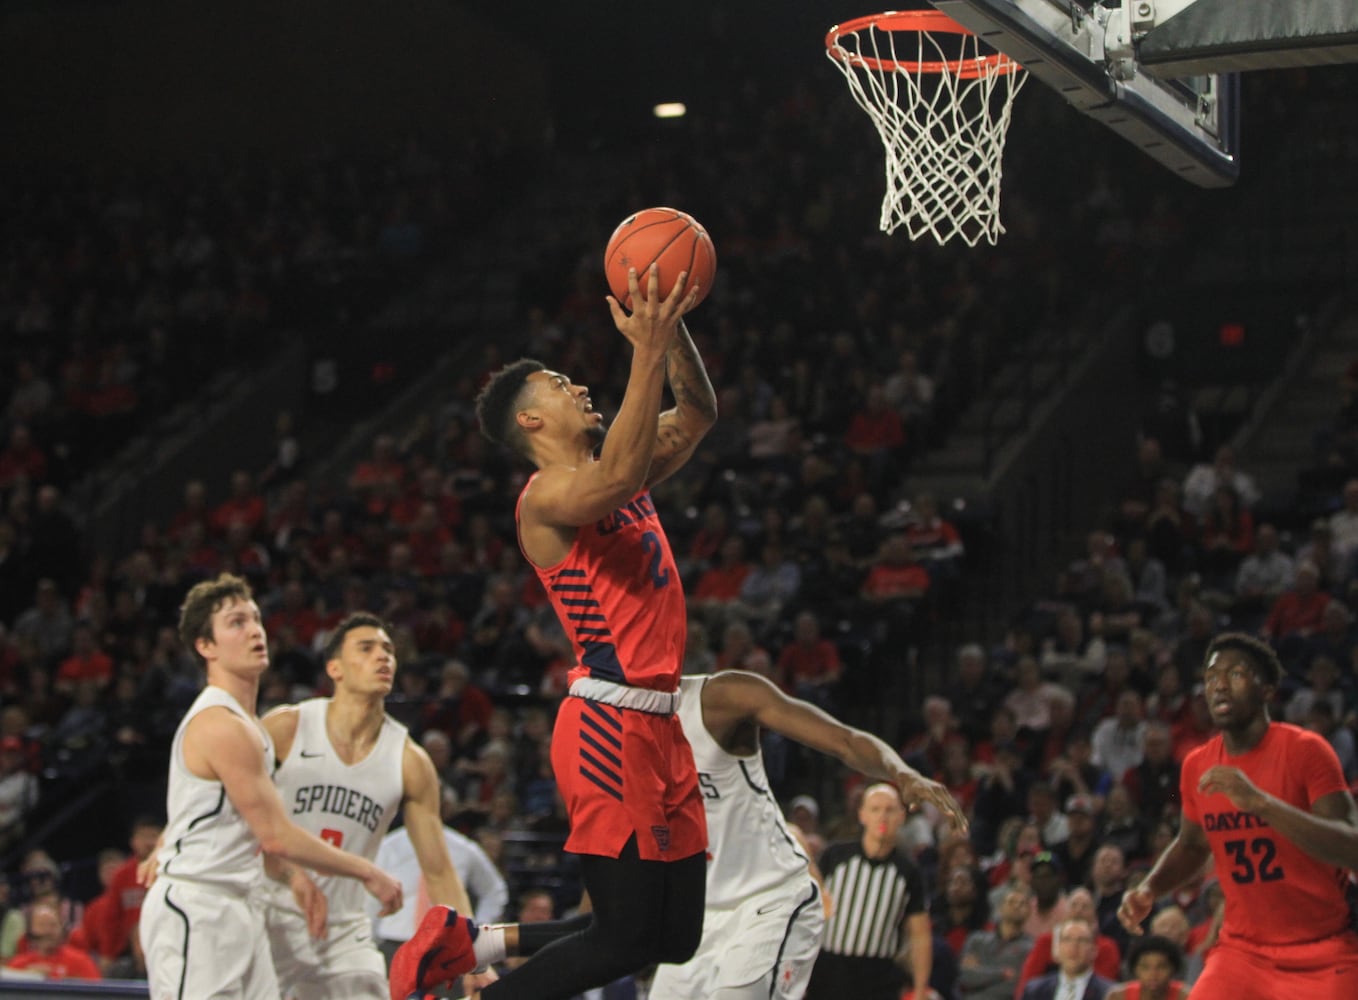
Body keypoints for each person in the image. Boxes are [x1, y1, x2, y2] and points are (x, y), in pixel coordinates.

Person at [459, 264, 714, 1000]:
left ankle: (483, 945)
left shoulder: (616, 468)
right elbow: (618, 477)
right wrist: (644, 348)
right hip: (607, 723)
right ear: (531, 423)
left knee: (675, 937)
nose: (578, 388)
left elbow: (697, 413)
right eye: (559, 387)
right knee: (627, 939)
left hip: (661, 726)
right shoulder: (546, 500)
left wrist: (670, 330)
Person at [138, 574, 403, 1000]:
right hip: (199, 906)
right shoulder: (220, 723)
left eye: (256, 619)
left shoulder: (252, 727)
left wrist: (170, 835)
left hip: (243, 903)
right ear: (206, 647)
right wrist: (367, 870)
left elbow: (221, 804)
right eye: (236, 622)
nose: (255, 630)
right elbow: (276, 835)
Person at [649, 669, 965, 1000]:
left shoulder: (721, 698)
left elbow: (844, 740)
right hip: (698, 913)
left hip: (769, 900)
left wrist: (901, 772)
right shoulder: (610, 726)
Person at [259, 611, 489, 1000]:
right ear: (335, 668)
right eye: (366, 648)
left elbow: (439, 871)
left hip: (345, 930)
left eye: (388, 650)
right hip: (267, 913)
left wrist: (476, 959)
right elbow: (234, 810)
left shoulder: (409, 760)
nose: (383, 657)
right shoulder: (286, 728)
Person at [1117, 631, 1358, 999]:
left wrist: (1261, 804)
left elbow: (1351, 848)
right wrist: (1150, 887)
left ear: (1267, 690)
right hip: (1242, 953)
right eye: (1212, 678)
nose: (1219, 686)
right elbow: (1193, 845)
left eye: (1236, 674)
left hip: (1322, 950)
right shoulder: (1197, 764)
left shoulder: (1307, 750)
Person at [806, 784, 939, 1000]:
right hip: (828, 969)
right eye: (875, 809)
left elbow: (920, 934)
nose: (882, 817)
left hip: (879, 976)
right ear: (862, 815)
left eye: (889, 809)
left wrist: (921, 988)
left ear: (901, 816)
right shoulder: (835, 856)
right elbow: (808, 911)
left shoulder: (908, 871)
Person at [374, 816, 511, 953]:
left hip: (447, 944)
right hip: (394, 941)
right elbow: (370, 897)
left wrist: (479, 930)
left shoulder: (463, 848)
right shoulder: (388, 846)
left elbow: (494, 890)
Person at [955, 885, 1033, 1000]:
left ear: (1029, 912)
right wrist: (1002, 974)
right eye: (1011, 902)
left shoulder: (1031, 948)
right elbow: (965, 977)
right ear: (1001, 908)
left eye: (1023, 904)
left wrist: (980, 970)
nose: (1017, 906)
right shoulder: (976, 939)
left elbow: (1015, 987)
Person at [5, 900, 102, 981]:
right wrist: (28, 976)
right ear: (31, 931)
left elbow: (97, 992)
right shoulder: (18, 965)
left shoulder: (81, 961)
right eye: (42, 925)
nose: (48, 931)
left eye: (53, 925)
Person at [1019, 918, 1114, 1000]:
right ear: (1058, 948)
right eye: (1067, 939)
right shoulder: (1034, 990)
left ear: (1094, 950)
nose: (1073, 947)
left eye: (1081, 940)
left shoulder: (1110, 993)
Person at [1106, 935, 1187, 1000]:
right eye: (1145, 967)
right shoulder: (1118, 997)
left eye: (1161, 967)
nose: (1153, 974)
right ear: (1135, 969)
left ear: (1173, 969)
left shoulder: (1186, 997)